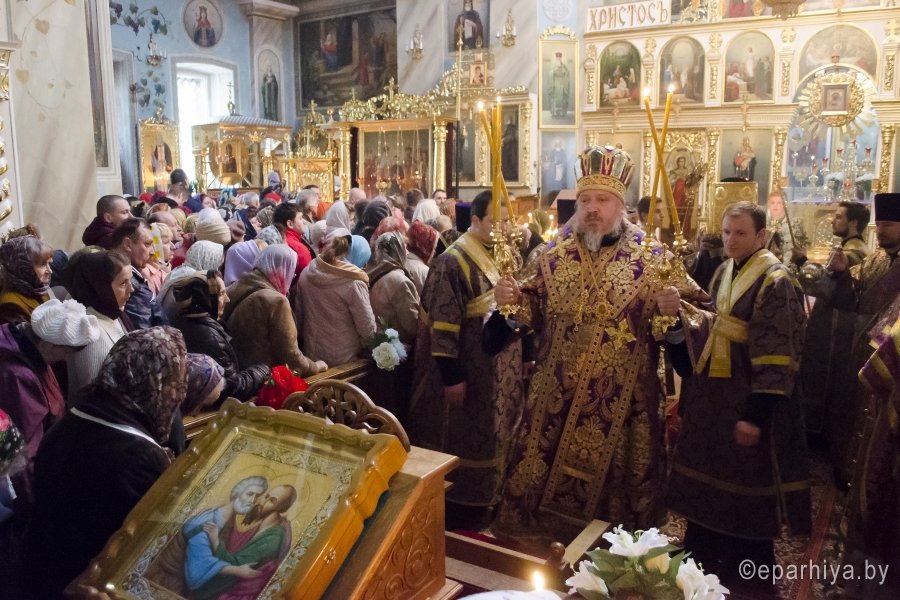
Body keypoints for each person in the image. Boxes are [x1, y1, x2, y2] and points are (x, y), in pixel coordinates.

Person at [492, 145, 671, 543]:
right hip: (554, 402)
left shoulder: (654, 259)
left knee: (615, 523)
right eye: (585, 199)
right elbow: (524, 309)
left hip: (624, 410)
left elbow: (691, 320)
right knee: (533, 512)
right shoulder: (551, 255)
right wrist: (510, 302)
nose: (592, 208)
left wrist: (672, 315)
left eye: (602, 200)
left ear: (620, 205)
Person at [664, 201, 810, 597]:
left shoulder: (776, 281)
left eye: (740, 233)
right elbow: (707, 325)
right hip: (713, 402)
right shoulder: (723, 271)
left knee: (747, 499)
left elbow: (780, 352)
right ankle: (700, 566)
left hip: (747, 402)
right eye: (727, 232)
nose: (730, 240)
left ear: (762, 236)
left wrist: (755, 415)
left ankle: (750, 582)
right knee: (707, 492)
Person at [23, 327, 187, 599]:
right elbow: (154, 549)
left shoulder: (73, 418)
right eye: (175, 382)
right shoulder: (142, 458)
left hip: (38, 572)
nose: (177, 394)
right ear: (157, 383)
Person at [408, 191, 524, 529]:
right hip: (471, 372)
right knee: (469, 435)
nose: (505, 229)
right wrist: (452, 376)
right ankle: (463, 509)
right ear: (475, 221)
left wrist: (528, 354)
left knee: (498, 433)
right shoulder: (453, 261)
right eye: (497, 222)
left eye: (508, 222)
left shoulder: (505, 254)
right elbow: (443, 323)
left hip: (502, 370)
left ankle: (494, 497)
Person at [818, 193, 900, 486]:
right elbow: (849, 300)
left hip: (893, 359)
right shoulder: (874, 259)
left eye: (888, 225)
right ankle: (848, 471)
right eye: (880, 224)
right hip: (862, 350)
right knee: (853, 411)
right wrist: (841, 273)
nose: (881, 230)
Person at [0, 299, 99, 509]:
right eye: (66, 351)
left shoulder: (29, 351)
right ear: (48, 344)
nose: (65, 358)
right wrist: (36, 503)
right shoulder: (19, 377)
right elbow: (24, 453)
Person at [797, 201, 870, 436]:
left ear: (853, 222)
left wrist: (802, 263)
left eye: (839, 217)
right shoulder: (849, 249)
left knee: (827, 376)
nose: (832, 220)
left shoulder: (853, 253)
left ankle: (821, 431)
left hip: (836, 328)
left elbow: (825, 289)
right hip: (833, 324)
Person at [223, 245, 326, 376]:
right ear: (280, 269)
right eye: (291, 271)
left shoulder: (232, 288)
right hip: (264, 379)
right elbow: (291, 357)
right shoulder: (277, 301)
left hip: (239, 375)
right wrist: (315, 367)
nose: (291, 277)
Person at [171, 270, 269, 404]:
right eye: (221, 294)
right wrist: (263, 370)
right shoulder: (209, 337)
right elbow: (229, 390)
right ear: (206, 299)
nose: (227, 299)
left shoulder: (183, 320)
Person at [297, 229, 376, 366]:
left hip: (312, 354)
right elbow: (367, 328)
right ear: (358, 257)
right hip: (345, 359)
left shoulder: (308, 271)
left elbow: (299, 315)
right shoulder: (354, 282)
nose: (363, 267)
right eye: (364, 263)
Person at [65, 250, 134, 399]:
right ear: (100, 287)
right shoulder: (89, 333)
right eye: (123, 283)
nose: (131, 289)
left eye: (130, 280)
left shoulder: (112, 312)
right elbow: (94, 397)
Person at [110, 218, 159, 329]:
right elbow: (142, 332)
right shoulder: (132, 284)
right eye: (147, 244)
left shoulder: (135, 278)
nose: (152, 252)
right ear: (127, 244)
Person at [0, 235, 53, 325]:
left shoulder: (37, 285)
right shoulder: (11, 306)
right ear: (24, 268)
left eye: (49, 263)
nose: (50, 271)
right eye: (43, 265)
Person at [765, 189, 808, 264]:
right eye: (772, 203)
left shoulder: (794, 225)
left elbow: (799, 249)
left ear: (784, 205)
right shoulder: (764, 223)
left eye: (779, 203)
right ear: (769, 205)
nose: (775, 206)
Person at [405, 221, 438, 295]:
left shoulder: (399, 260)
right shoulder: (424, 272)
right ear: (426, 247)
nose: (434, 252)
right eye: (433, 247)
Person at [549, 52, 570, 119]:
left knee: (563, 98)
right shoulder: (553, 66)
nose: (558, 58)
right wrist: (554, 71)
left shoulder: (563, 66)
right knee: (555, 97)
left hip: (562, 84)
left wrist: (563, 71)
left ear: (561, 58)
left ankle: (562, 113)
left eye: (559, 57)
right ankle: (555, 113)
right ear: (556, 58)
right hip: (555, 83)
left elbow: (567, 72)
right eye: (557, 57)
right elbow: (550, 73)